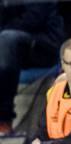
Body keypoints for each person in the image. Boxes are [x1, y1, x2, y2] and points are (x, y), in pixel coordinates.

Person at [0, 0, 64, 135]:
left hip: (44, 45)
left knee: (6, 40)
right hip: (15, 42)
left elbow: (34, 19)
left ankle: (4, 120)